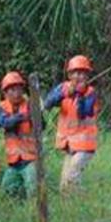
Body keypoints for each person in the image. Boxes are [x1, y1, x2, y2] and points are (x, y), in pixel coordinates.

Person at [44, 55, 99, 192]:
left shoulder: (90, 93)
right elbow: (48, 103)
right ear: (69, 75)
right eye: (76, 73)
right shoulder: (63, 88)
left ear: (87, 76)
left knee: (72, 177)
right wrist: (63, 94)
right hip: (69, 144)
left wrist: (78, 95)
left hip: (85, 145)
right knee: (64, 186)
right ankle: (73, 205)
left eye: (83, 73)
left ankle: (81, 203)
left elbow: (84, 113)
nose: (79, 76)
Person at [0, 71, 39, 198]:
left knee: (33, 189)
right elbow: (6, 124)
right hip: (13, 161)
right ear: (5, 93)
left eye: (19, 89)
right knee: (7, 191)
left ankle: (33, 211)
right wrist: (21, 117)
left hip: (31, 159)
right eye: (12, 90)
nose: (16, 93)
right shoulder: (2, 108)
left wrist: (35, 114)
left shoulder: (31, 105)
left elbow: (41, 124)